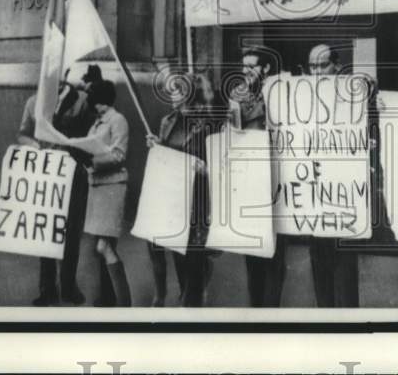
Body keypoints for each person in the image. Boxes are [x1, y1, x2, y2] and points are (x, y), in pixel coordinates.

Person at [18, 65, 99, 306]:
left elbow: (94, 136)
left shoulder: (82, 101)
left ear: (63, 76)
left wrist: (77, 151)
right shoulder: (33, 102)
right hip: (45, 176)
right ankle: (47, 289)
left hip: (73, 176)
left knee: (71, 232)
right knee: (45, 231)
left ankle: (68, 286)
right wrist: (32, 145)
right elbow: (22, 133)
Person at [146, 72, 223, 307]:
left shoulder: (209, 123)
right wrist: (157, 146)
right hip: (174, 196)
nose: (171, 95)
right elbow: (169, 156)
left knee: (193, 253)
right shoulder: (167, 121)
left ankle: (192, 304)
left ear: (189, 95)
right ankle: (187, 294)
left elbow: (221, 163)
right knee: (178, 251)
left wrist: (205, 168)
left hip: (198, 197)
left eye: (177, 91)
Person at [229, 45, 288, 307]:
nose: (246, 71)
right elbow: (231, 134)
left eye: (252, 65)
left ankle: (271, 310)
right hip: (250, 181)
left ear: (265, 68)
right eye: (244, 66)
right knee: (251, 248)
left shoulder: (280, 94)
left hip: (276, 181)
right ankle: (256, 310)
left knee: (274, 251)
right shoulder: (237, 96)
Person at [304, 43, 362, 308]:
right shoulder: (300, 98)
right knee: (320, 267)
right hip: (313, 194)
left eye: (323, 65)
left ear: (336, 66)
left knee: (344, 269)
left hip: (344, 195)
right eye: (312, 66)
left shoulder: (353, 95)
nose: (317, 72)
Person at [83, 80, 132, 307]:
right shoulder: (97, 122)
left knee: (104, 247)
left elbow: (119, 155)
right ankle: (110, 298)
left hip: (112, 187)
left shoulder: (117, 120)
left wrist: (91, 160)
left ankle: (123, 303)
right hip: (98, 187)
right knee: (102, 247)